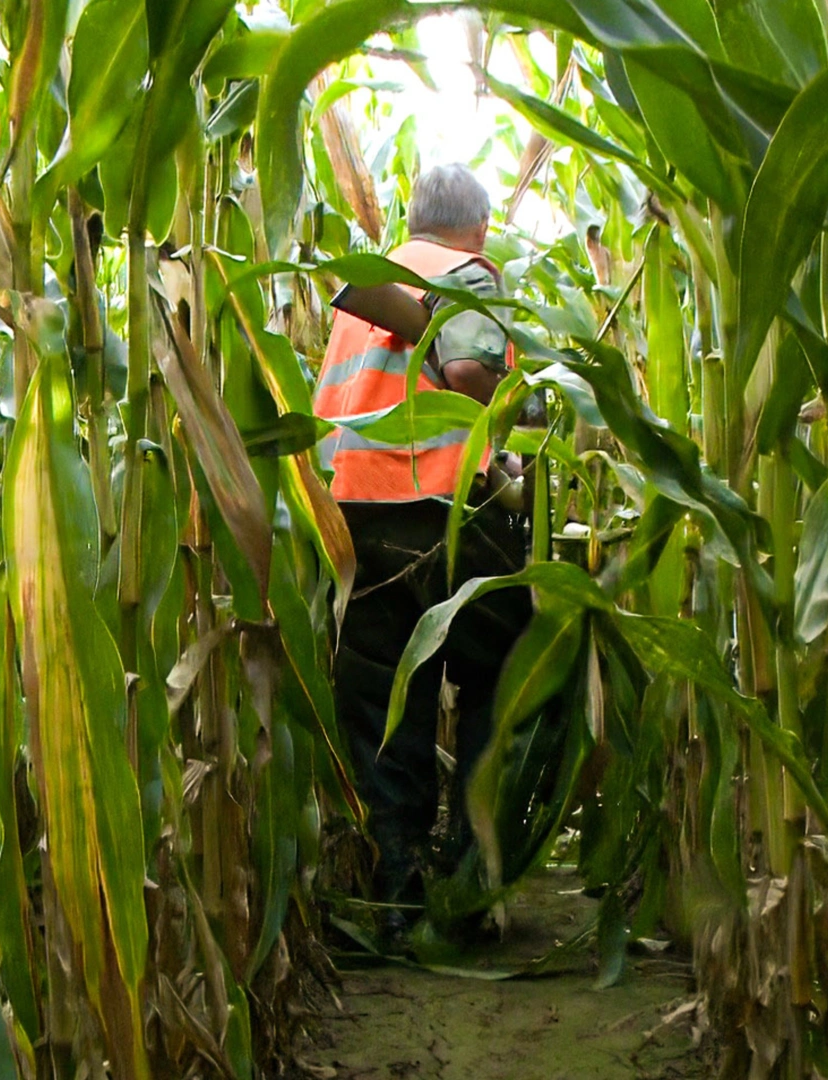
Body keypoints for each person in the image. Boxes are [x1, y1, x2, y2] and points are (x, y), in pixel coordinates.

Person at [314, 163, 531, 945]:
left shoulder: (366, 287)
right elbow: (469, 372)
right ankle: (473, 880)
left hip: (355, 519)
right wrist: (516, 412)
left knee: (383, 701)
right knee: (504, 669)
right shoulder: (470, 273)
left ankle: (397, 891)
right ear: (477, 228)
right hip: (442, 508)